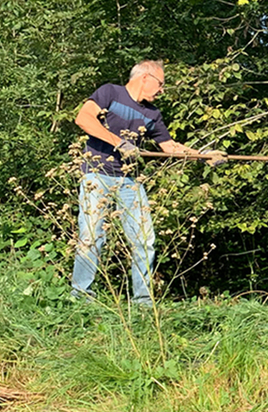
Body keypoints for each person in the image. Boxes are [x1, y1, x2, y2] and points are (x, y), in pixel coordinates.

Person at [71, 60, 227, 306]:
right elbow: (84, 119)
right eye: (161, 84)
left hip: (129, 181)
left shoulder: (152, 114)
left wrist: (204, 156)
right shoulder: (110, 92)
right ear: (145, 77)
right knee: (92, 237)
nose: (162, 90)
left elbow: (170, 147)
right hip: (96, 174)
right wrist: (118, 142)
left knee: (145, 239)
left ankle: (143, 303)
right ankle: (80, 298)